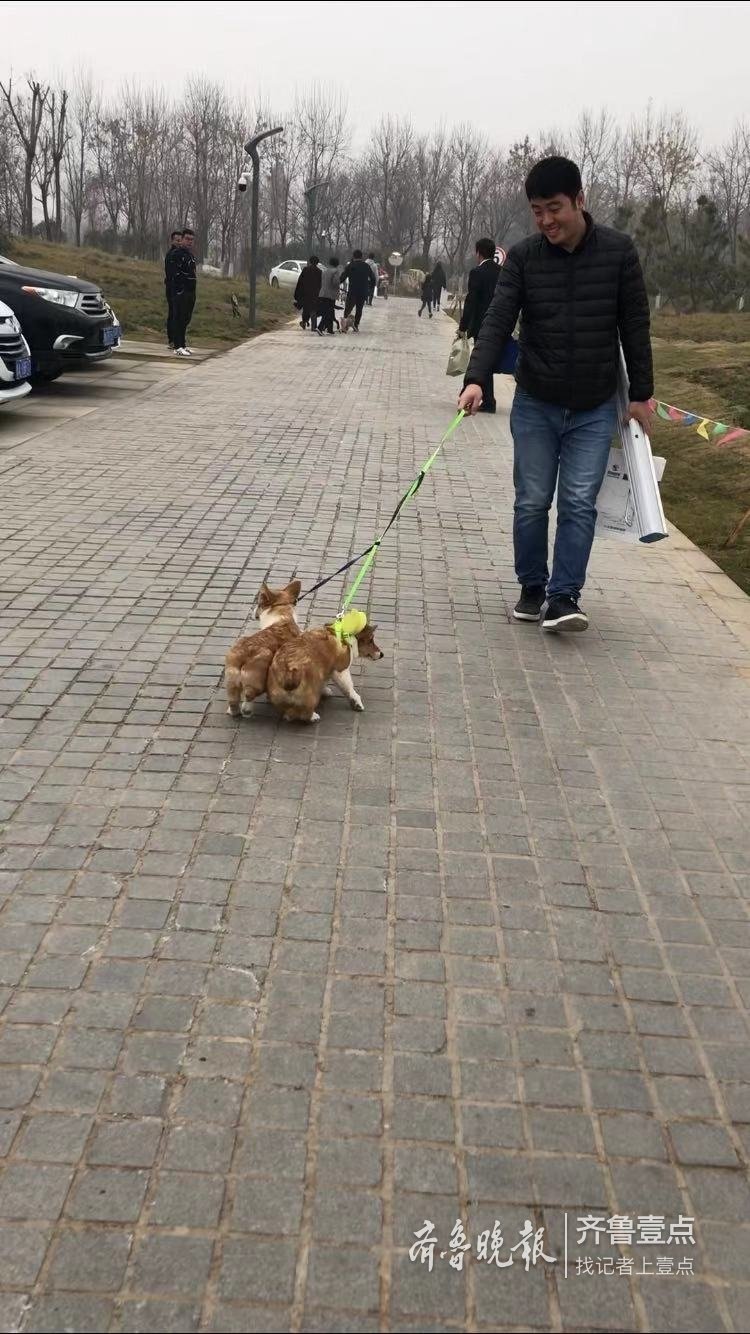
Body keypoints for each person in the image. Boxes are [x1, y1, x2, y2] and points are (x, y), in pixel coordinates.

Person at [458, 156, 653, 634]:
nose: (546, 220)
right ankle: (532, 586)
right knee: (531, 500)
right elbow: (499, 319)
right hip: (537, 402)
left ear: (579, 201)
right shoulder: (524, 257)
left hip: (592, 405)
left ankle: (564, 596)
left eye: (555, 208)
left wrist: (642, 395)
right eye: (537, 210)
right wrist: (477, 377)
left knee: (578, 503)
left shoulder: (619, 252)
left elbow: (635, 326)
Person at [458, 237, 500, 413]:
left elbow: (471, 301)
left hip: (481, 323)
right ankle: (487, 398)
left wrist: (463, 326)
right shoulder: (503, 271)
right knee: (485, 360)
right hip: (499, 323)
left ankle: (472, 395)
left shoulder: (477, 272)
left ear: (478, 253)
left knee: (479, 358)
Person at [172, 227, 197, 356]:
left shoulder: (190, 255)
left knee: (186, 319)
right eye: (187, 239)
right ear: (181, 240)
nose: (189, 242)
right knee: (179, 319)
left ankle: (183, 344)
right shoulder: (176, 255)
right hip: (181, 292)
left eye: (192, 240)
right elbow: (174, 275)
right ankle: (177, 346)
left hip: (190, 292)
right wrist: (179, 290)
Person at [339, 249, 372, 331]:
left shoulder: (350, 266)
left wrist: (336, 284)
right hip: (362, 291)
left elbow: (342, 277)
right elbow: (373, 278)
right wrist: (369, 288)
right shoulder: (366, 266)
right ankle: (356, 325)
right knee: (359, 309)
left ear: (353, 256)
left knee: (348, 308)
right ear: (362, 256)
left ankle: (345, 325)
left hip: (352, 291)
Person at [164, 230, 182, 348]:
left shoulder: (180, 254)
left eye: (181, 240)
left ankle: (177, 339)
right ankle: (172, 340)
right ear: (172, 241)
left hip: (179, 289)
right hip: (172, 288)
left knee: (178, 314)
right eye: (177, 240)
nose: (179, 242)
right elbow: (172, 274)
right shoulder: (171, 255)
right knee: (173, 313)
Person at [294, 256, 322, 329]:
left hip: (305, 293)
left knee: (306, 309)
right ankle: (314, 326)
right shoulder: (319, 271)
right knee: (313, 309)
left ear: (310, 262)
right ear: (317, 263)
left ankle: (303, 322)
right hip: (315, 293)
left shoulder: (305, 269)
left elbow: (300, 281)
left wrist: (297, 293)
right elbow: (321, 284)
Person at [317, 257, 342, 335]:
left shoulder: (325, 271)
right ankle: (320, 328)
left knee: (329, 311)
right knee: (328, 312)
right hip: (330, 295)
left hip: (323, 293)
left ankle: (330, 329)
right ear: (337, 264)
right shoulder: (335, 271)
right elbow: (335, 282)